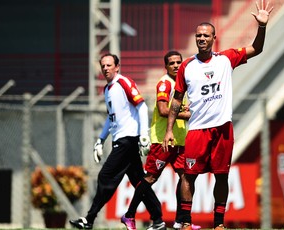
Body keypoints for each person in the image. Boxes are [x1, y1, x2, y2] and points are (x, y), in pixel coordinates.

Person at [162, 1, 273, 230]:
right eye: (198, 36)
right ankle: (185, 221)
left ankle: (219, 223)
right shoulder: (186, 67)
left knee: (221, 176)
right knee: (188, 176)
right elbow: (176, 99)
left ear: (214, 38)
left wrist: (261, 27)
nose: (201, 39)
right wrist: (170, 129)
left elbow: (256, 49)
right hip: (197, 131)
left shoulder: (226, 59)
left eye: (205, 35)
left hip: (222, 128)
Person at [69, 53, 164, 229]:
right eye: (103, 65)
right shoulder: (107, 90)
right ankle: (158, 220)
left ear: (117, 67)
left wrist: (143, 135)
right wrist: (100, 140)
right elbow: (110, 118)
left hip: (128, 139)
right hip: (119, 139)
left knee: (105, 176)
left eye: (109, 65)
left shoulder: (124, 83)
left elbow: (142, 106)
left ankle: (89, 219)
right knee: (139, 181)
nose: (105, 68)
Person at [122, 51, 200, 230]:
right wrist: (187, 114)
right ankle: (129, 215)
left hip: (179, 140)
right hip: (162, 140)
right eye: (171, 63)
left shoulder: (183, 84)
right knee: (150, 178)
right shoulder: (165, 83)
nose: (175, 65)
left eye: (178, 62)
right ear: (166, 66)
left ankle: (181, 221)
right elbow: (164, 110)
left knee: (186, 178)